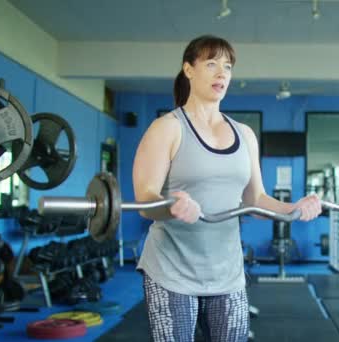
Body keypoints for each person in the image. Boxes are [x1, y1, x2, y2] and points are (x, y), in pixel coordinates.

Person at [132, 35, 322, 342]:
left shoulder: (244, 134)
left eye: (228, 67)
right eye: (211, 64)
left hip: (228, 274)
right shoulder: (167, 127)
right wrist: (171, 206)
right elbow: (144, 199)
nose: (222, 73)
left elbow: (256, 200)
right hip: (171, 271)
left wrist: (295, 208)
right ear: (188, 70)